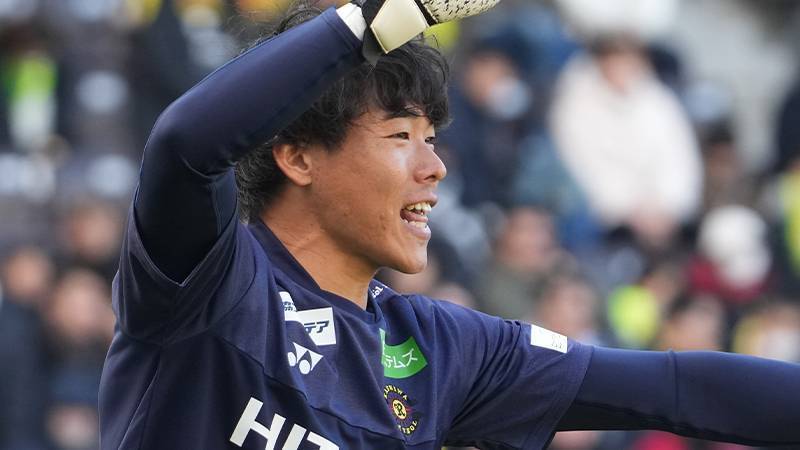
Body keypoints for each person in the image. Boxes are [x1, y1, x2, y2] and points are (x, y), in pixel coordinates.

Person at [99, 1, 800, 449]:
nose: (434, 167)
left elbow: (677, 389)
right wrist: (374, 21)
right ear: (298, 155)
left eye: (432, 138)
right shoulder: (212, 279)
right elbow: (185, 144)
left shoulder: (442, 349)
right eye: (400, 136)